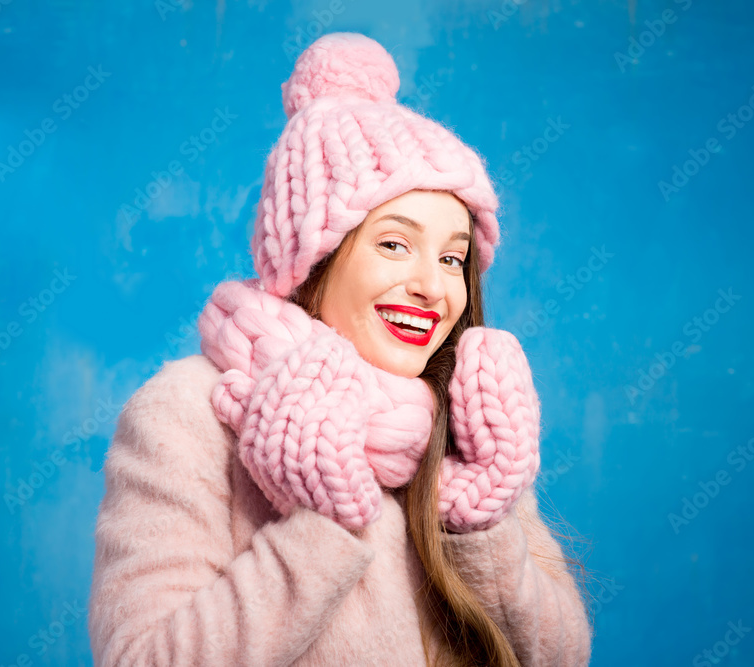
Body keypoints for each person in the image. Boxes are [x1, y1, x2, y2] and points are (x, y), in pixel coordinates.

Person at [88, 32, 593, 667]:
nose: (432, 287)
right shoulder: (187, 411)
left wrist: (482, 523)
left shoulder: (455, 417)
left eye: (453, 258)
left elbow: (563, 655)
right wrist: (322, 524)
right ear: (311, 259)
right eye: (393, 244)